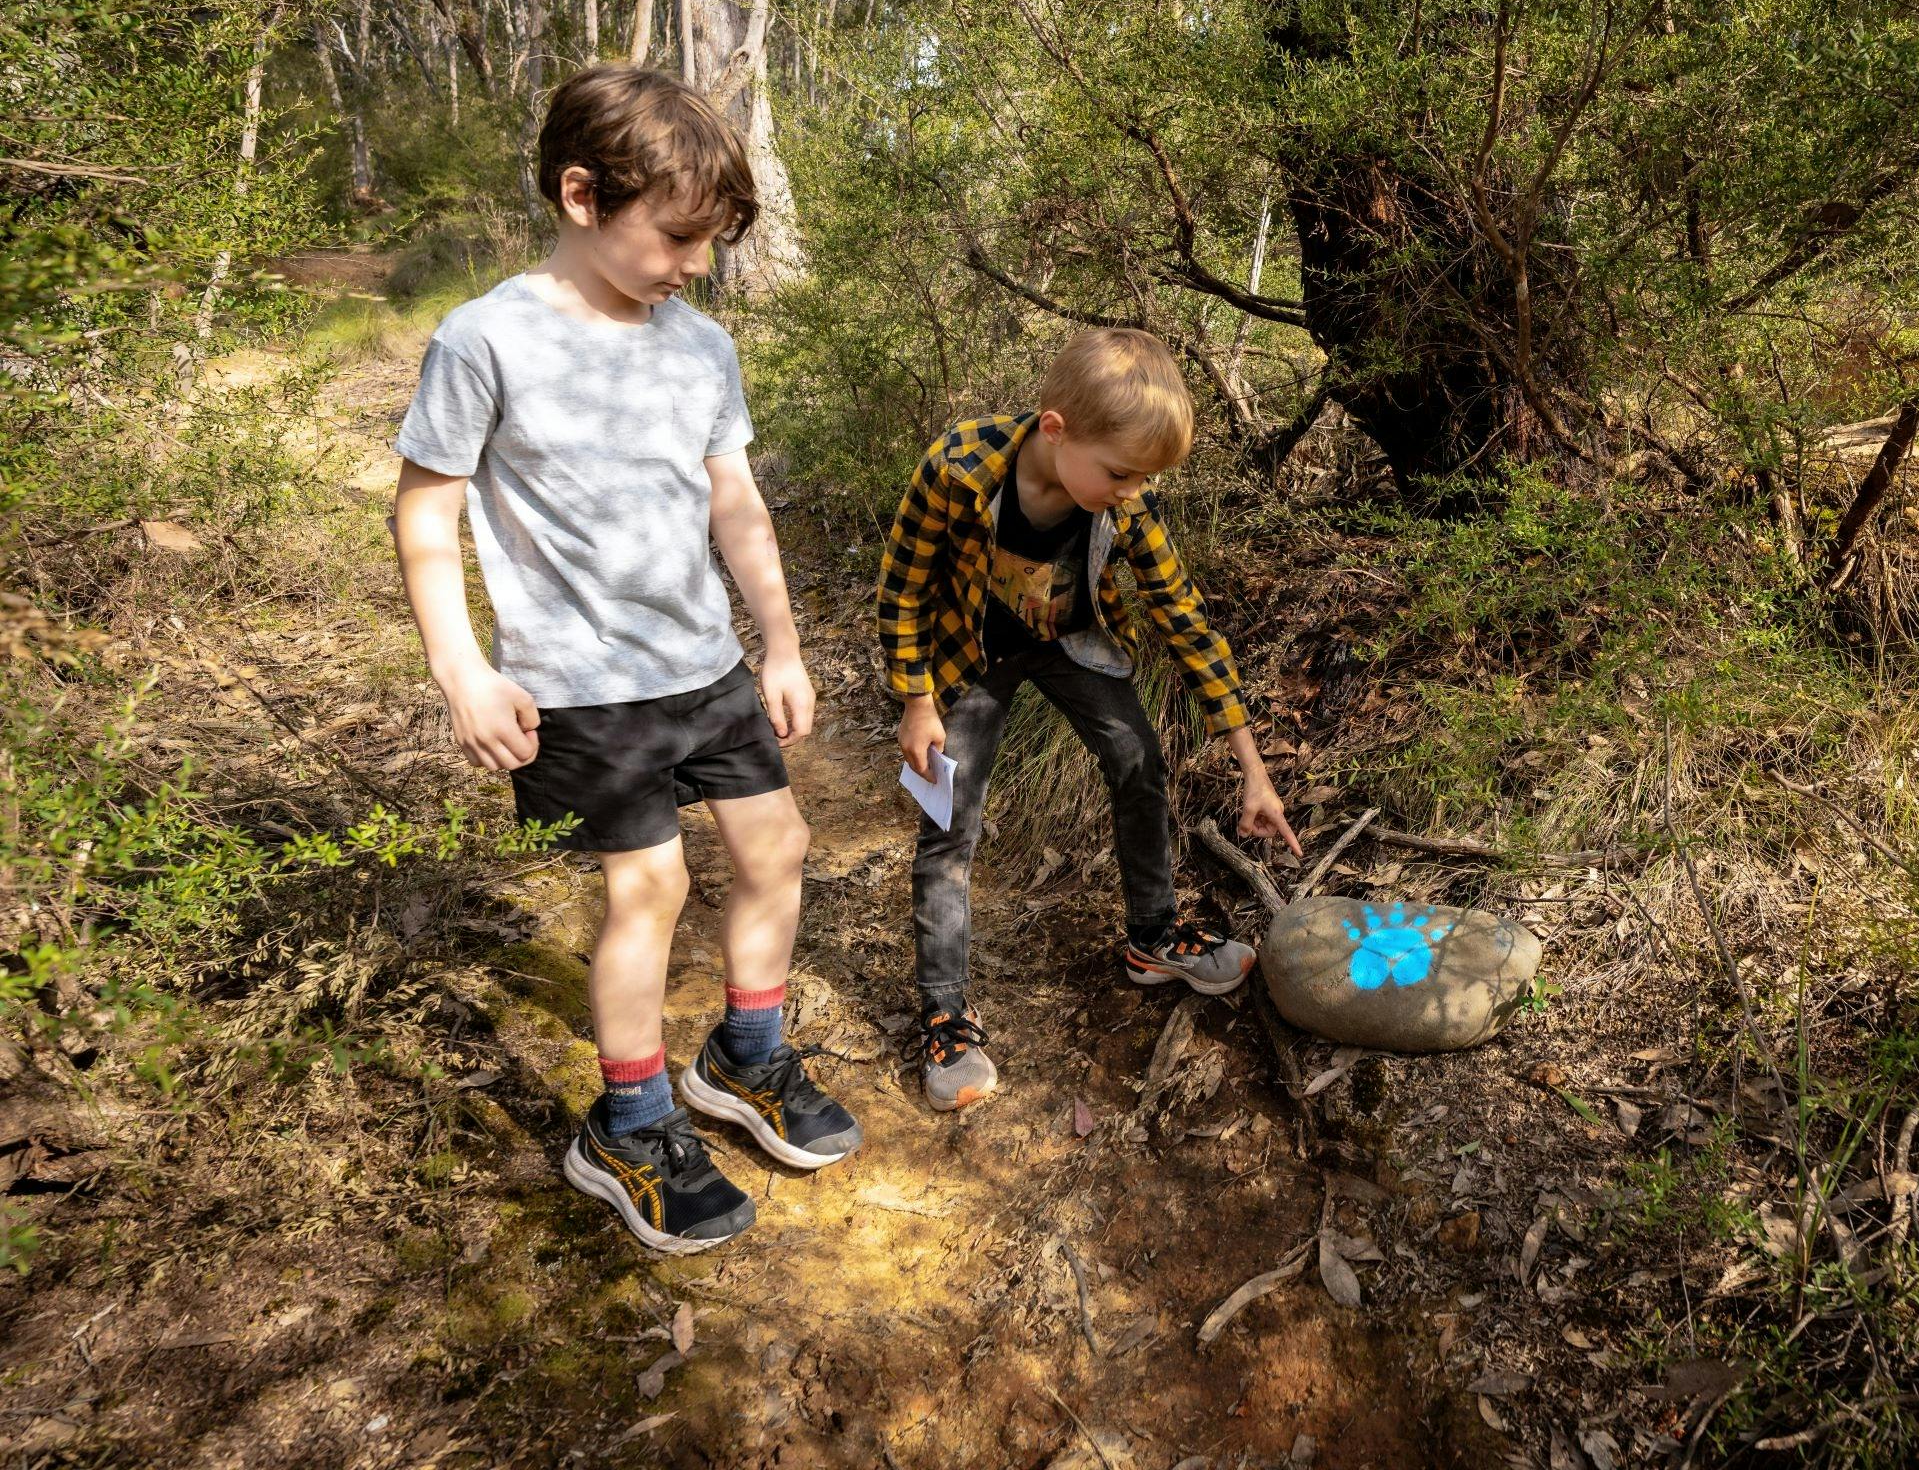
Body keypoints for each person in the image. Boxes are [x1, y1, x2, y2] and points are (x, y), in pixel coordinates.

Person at [390, 65, 859, 1255]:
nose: (696, 264)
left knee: (778, 845)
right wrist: (463, 672)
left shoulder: (701, 347)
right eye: (678, 236)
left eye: (711, 241)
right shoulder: (486, 339)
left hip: (703, 663)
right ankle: (630, 1124)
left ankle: (744, 1056)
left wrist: (781, 641)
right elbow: (426, 510)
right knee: (651, 888)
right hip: (583, 687)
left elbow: (733, 499)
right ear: (581, 194)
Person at [878, 327, 1306, 1111]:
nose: (1132, 491)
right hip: (964, 658)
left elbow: (1184, 620)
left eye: (1145, 478)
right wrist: (915, 702)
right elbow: (903, 588)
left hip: (1071, 643)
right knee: (948, 821)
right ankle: (944, 1012)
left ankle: (1154, 936)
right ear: (1055, 429)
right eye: (1119, 473)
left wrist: (1253, 768)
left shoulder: (1126, 503)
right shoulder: (958, 466)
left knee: (1138, 759)